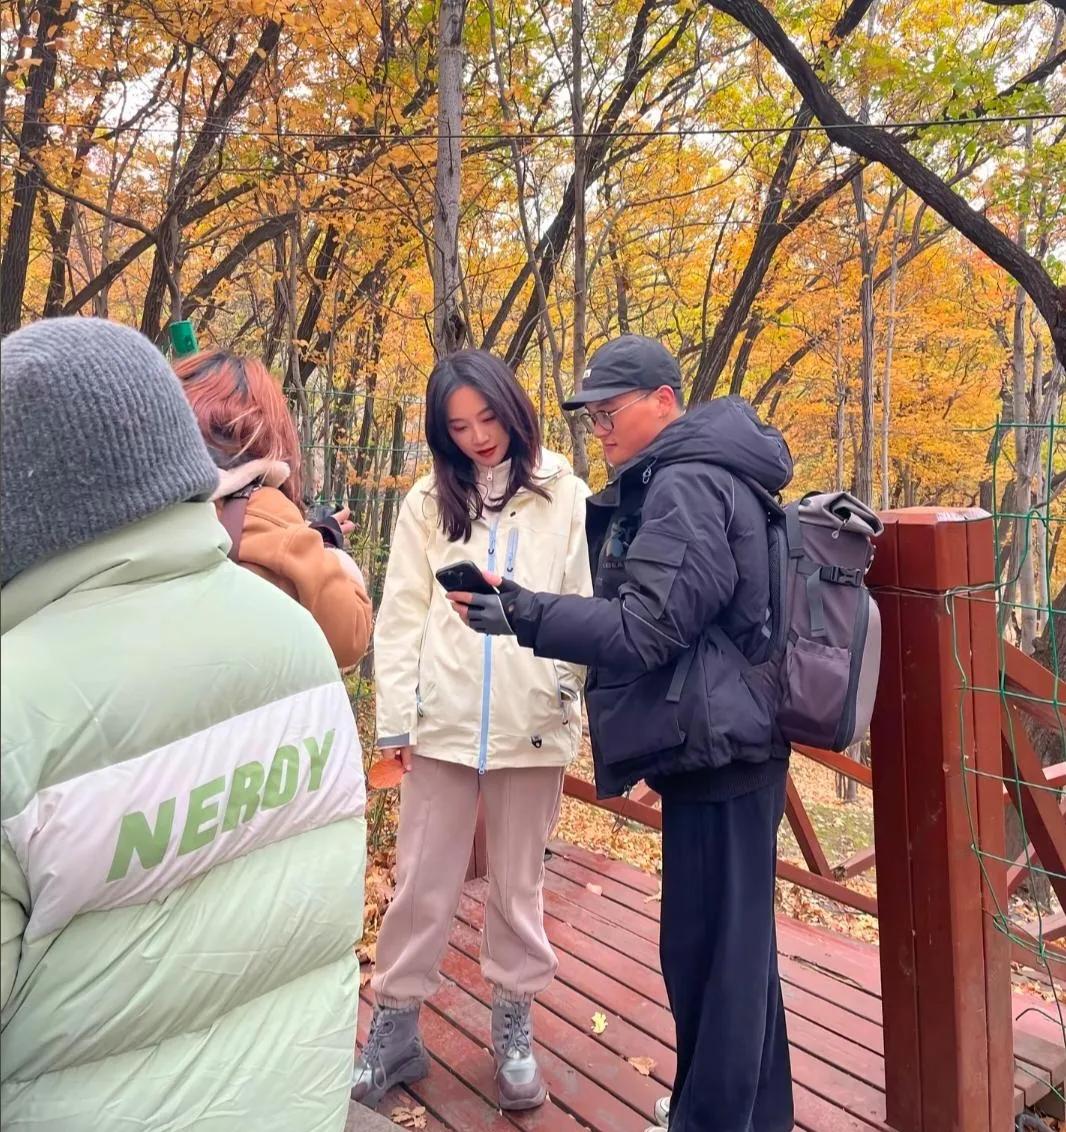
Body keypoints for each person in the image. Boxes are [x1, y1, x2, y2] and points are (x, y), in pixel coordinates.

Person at [0, 318, 367, 1131]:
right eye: (201, 424)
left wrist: (284, 528)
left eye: (237, 434)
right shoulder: (293, 645)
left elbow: (346, 623)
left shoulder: (21, 709)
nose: (221, 449)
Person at [449, 335, 796, 1132]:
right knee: (737, 955)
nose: (598, 428)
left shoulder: (688, 484)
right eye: (591, 415)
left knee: (709, 958)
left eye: (611, 411)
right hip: (733, 743)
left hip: (722, 750)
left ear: (666, 401)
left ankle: (710, 1119)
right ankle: (752, 1114)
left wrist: (524, 612)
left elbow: (648, 627)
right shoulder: (717, 473)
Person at [352, 349, 591, 1111]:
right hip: (442, 722)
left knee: (519, 886)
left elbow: (584, 605)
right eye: (458, 426)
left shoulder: (566, 494)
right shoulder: (427, 500)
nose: (478, 437)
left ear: (513, 409)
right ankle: (393, 1029)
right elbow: (399, 619)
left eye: (488, 418)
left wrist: (563, 693)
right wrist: (397, 721)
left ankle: (513, 1027)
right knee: (421, 883)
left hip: (531, 724)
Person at [175, 350, 372, 670]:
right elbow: (349, 638)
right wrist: (331, 554)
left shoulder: (146, 512)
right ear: (270, 433)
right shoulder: (267, 515)